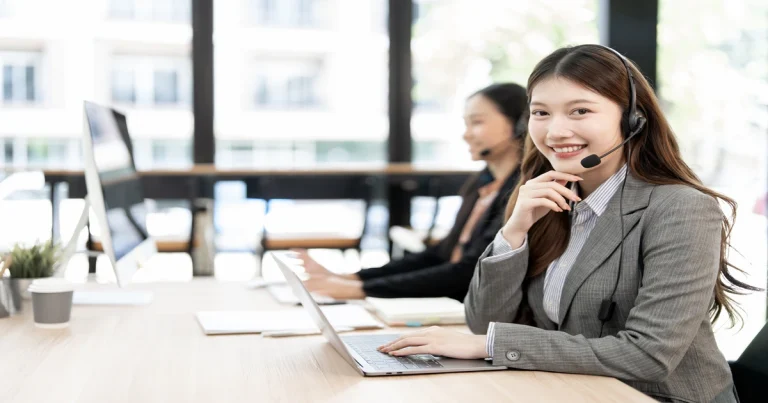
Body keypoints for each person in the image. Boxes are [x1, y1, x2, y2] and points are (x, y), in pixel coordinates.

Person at [377, 44, 759, 403]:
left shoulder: (681, 209)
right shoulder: (549, 200)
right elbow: (484, 323)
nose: (556, 131)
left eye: (580, 111)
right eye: (541, 113)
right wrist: (514, 233)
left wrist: (488, 345)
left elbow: (647, 355)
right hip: (568, 390)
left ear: (632, 119)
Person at [295, 83, 527, 301]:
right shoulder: (481, 185)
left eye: (476, 122)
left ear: (519, 123)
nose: (466, 135)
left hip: (469, 307)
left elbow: (468, 271)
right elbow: (439, 255)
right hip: (452, 300)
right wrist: (351, 279)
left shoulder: (522, 193)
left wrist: (361, 290)